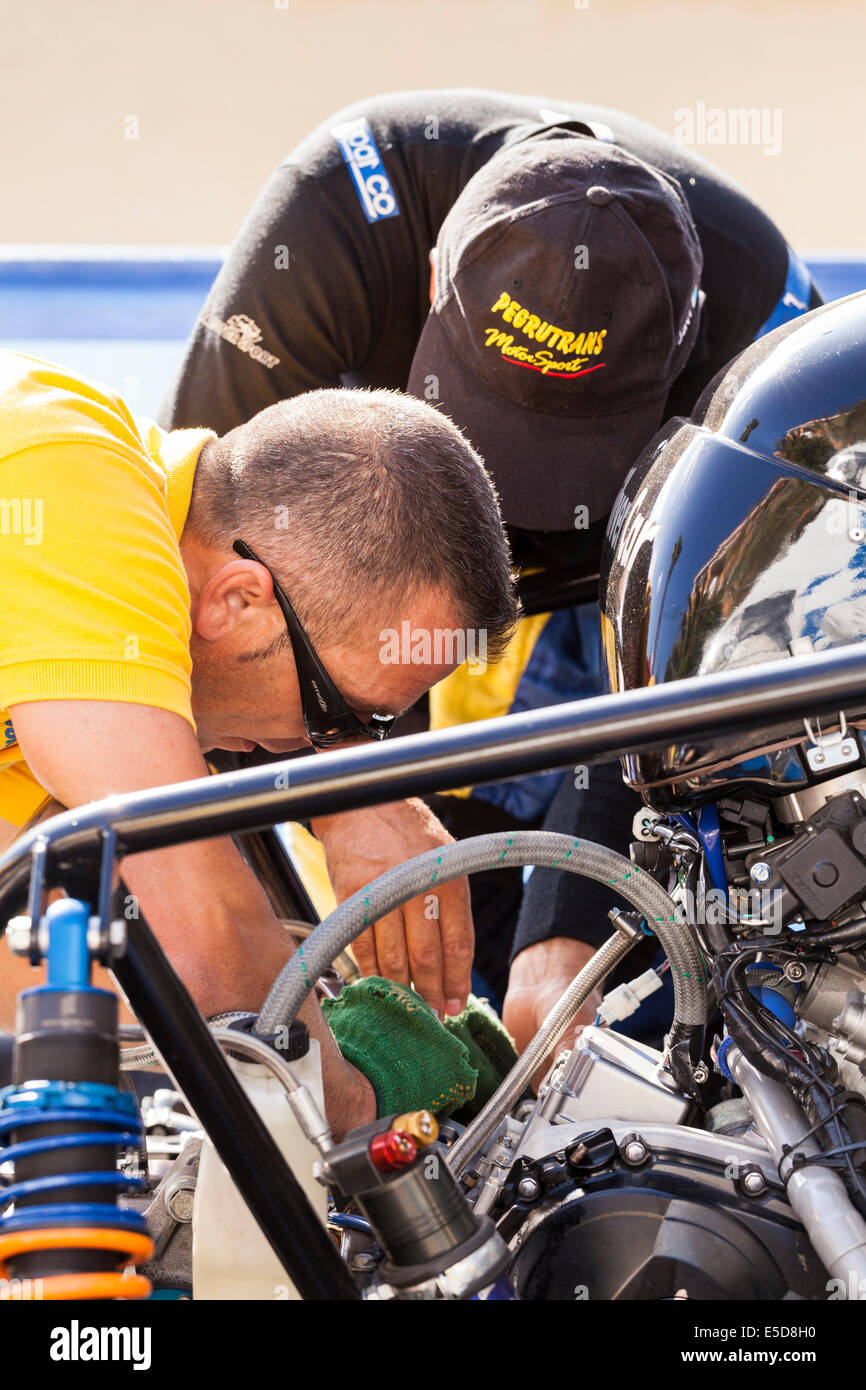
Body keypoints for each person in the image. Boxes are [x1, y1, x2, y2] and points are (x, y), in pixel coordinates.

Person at [160, 88, 822, 1056]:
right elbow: (206, 611)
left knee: (562, 989)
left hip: (618, 579)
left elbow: (688, 680)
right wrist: (354, 785)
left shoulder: (760, 335)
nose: (512, 490)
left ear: (682, 345)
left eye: (554, 448)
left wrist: (571, 921)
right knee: (339, 847)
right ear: (432, 279)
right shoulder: (333, 227)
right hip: (356, 543)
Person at [0, 348, 518, 1133]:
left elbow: (35, 977)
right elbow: (201, 943)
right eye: (337, 713)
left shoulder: (62, 675)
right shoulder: (70, 471)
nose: (319, 747)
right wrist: (370, 1090)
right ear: (239, 599)